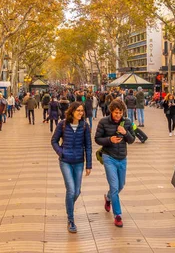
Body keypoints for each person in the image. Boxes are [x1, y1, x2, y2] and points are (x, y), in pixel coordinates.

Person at [51, 102, 92, 233]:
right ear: (72, 111)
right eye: (78, 110)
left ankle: (69, 206)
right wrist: (60, 152)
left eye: (82, 111)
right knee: (71, 189)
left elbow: (88, 146)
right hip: (65, 161)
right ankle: (71, 219)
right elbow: (54, 141)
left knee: (77, 191)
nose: (81, 113)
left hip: (79, 161)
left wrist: (89, 165)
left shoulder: (85, 126)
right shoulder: (62, 124)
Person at [95, 99, 136, 228]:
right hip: (109, 157)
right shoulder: (103, 122)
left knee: (121, 185)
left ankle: (108, 198)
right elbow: (97, 139)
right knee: (114, 186)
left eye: (120, 112)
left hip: (122, 157)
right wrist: (109, 139)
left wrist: (126, 132)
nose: (118, 115)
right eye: (116, 112)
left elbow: (132, 140)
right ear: (111, 111)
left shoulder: (127, 122)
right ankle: (117, 215)